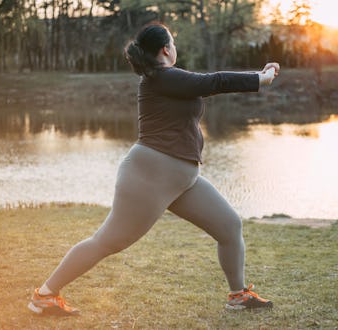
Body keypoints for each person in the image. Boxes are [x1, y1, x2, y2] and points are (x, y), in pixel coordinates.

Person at [28, 22, 280, 315]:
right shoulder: (161, 77)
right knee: (108, 241)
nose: (175, 49)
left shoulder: (166, 78)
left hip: (181, 180)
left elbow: (202, 85)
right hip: (149, 176)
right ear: (165, 49)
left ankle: (238, 296)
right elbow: (213, 82)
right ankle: (44, 296)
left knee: (228, 226)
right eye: (173, 43)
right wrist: (260, 79)